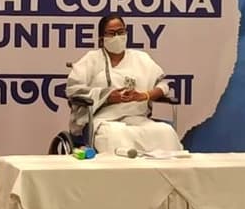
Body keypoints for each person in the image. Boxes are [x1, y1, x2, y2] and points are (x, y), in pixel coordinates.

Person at [66, 15, 182, 154]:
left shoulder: (141, 58)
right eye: (111, 33)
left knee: (165, 132)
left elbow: (163, 85)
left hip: (137, 118)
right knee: (115, 135)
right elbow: (74, 90)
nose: (117, 37)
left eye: (121, 32)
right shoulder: (91, 59)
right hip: (104, 119)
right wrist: (107, 97)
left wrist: (144, 95)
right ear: (101, 38)